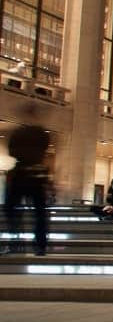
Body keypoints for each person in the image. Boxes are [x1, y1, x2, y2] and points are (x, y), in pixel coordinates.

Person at [4, 104, 51, 256]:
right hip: (35, 175)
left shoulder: (20, 133)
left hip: (23, 173)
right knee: (39, 213)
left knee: (14, 210)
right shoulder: (40, 133)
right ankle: (39, 245)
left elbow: (12, 150)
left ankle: (18, 243)